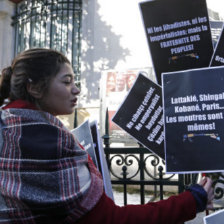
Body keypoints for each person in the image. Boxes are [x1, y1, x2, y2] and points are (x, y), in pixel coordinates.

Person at [0, 48, 213, 224]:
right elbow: (111, 220)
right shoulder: (53, 143)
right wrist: (191, 200)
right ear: (34, 88)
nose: (76, 90)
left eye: (75, 82)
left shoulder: (7, 128)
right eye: (66, 82)